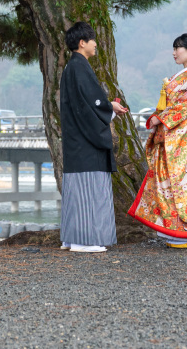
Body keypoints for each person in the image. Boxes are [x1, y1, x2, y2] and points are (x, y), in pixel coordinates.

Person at [128, 33, 187, 248]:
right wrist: (158, 117)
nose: (174, 52)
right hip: (174, 137)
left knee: (186, 186)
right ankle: (174, 231)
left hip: (184, 141)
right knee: (169, 185)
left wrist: (160, 118)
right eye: (173, 48)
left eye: (177, 48)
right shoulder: (181, 76)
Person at [60, 22, 128, 253]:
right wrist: (108, 110)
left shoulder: (73, 67)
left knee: (76, 191)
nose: (96, 44)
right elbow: (91, 103)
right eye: (92, 40)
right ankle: (84, 241)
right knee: (89, 189)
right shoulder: (79, 67)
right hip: (86, 142)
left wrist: (108, 106)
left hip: (76, 140)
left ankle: (72, 238)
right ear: (82, 43)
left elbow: (87, 102)